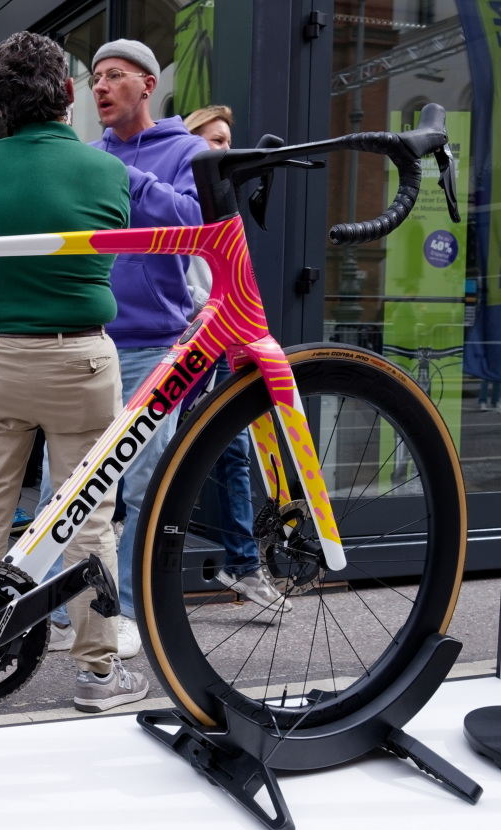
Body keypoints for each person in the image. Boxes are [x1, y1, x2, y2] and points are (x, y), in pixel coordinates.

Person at [0, 30, 148, 714]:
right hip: (78, 359)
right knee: (87, 514)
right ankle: (98, 674)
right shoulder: (105, 169)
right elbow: (109, 250)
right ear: (68, 92)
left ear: (0, 103)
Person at [85, 38, 209, 655]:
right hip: (88, 336)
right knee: (72, 485)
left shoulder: (187, 150)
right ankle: (70, 614)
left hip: (156, 345)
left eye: (114, 75)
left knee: (141, 487)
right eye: (94, 78)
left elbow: (192, 222)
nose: (100, 87)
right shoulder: (88, 156)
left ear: (147, 84)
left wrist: (125, 178)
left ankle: (131, 610)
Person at [183, 104, 291, 614]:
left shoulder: (223, 206)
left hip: (219, 341)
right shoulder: (183, 199)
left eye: (228, 140)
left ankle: (244, 566)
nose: (225, 149)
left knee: (234, 452)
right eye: (215, 140)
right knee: (152, 454)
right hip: (183, 340)